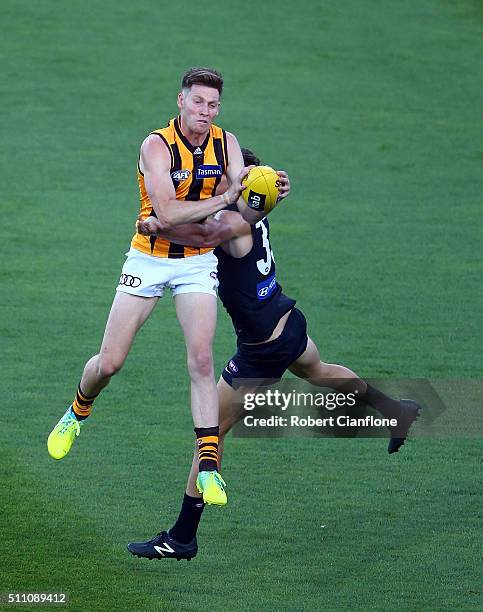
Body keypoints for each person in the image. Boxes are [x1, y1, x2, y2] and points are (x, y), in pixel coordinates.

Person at [126, 148, 421, 561]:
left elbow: (194, 233)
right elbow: (244, 207)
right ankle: (395, 410)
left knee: (210, 432)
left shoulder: (231, 222)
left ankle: (182, 536)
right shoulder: (252, 213)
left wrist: (155, 224)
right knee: (317, 368)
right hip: (286, 319)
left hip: (261, 348)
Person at [46, 68, 291, 510]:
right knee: (111, 362)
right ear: (181, 101)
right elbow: (168, 210)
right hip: (149, 257)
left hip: (196, 264)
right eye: (198, 102)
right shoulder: (155, 145)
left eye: (213, 105)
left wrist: (270, 190)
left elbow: (245, 192)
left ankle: (210, 467)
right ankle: (77, 412)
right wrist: (223, 199)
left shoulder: (227, 143)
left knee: (201, 359)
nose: (205, 112)